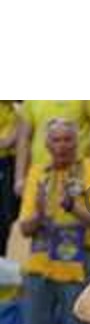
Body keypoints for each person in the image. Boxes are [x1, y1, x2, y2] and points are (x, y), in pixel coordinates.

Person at [18, 118, 90, 324]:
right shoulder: (37, 173)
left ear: (77, 142)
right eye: (56, 140)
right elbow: (25, 229)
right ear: (47, 144)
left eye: (67, 139)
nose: (62, 146)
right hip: (40, 264)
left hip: (77, 263)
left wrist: (74, 207)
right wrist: (39, 213)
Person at [14, 100, 90, 197]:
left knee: (76, 215)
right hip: (40, 179)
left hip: (75, 180)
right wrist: (19, 178)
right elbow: (24, 138)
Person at [0, 101, 19, 256]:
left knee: (7, 217)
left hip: (7, 165)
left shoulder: (15, 112)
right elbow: (6, 142)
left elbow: (8, 142)